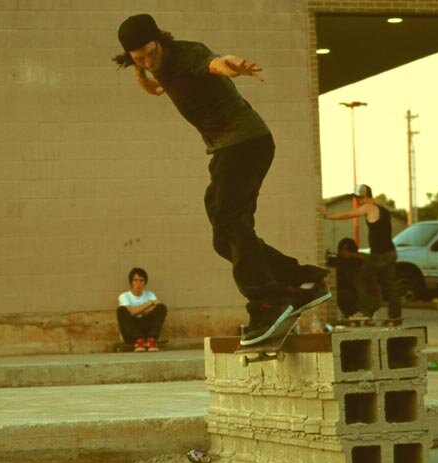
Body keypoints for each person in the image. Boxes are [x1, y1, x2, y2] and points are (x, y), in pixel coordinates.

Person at [114, 14, 331, 345]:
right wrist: (144, 76)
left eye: (150, 53)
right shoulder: (148, 62)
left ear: (160, 39)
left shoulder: (186, 54)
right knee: (223, 237)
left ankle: (268, 302)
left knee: (230, 222)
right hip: (227, 150)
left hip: (245, 142)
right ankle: (301, 281)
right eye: (138, 58)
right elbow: (151, 71)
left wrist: (226, 64)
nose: (147, 60)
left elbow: (209, 63)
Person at [320, 184, 401, 322]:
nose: (358, 202)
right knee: (389, 284)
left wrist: (327, 216)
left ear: (363, 197)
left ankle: (366, 311)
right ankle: (395, 315)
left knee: (361, 278)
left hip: (379, 255)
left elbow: (349, 214)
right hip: (390, 252)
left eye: (358, 199)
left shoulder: (368, 207)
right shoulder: (383, 209)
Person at [117, 267, 167, 352]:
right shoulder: (124, 296)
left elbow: (158, 307)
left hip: (146, 331)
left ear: (145, 283)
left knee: (162, 307)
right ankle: (139, 340)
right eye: (135, 280)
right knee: (121, 310)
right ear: (131, 282)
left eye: (141, 280)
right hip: (131, 334)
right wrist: (150, 303)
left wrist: (137, 311)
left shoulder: (150, 294)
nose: (138, 283)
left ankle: (151, 340)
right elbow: (132, 312)